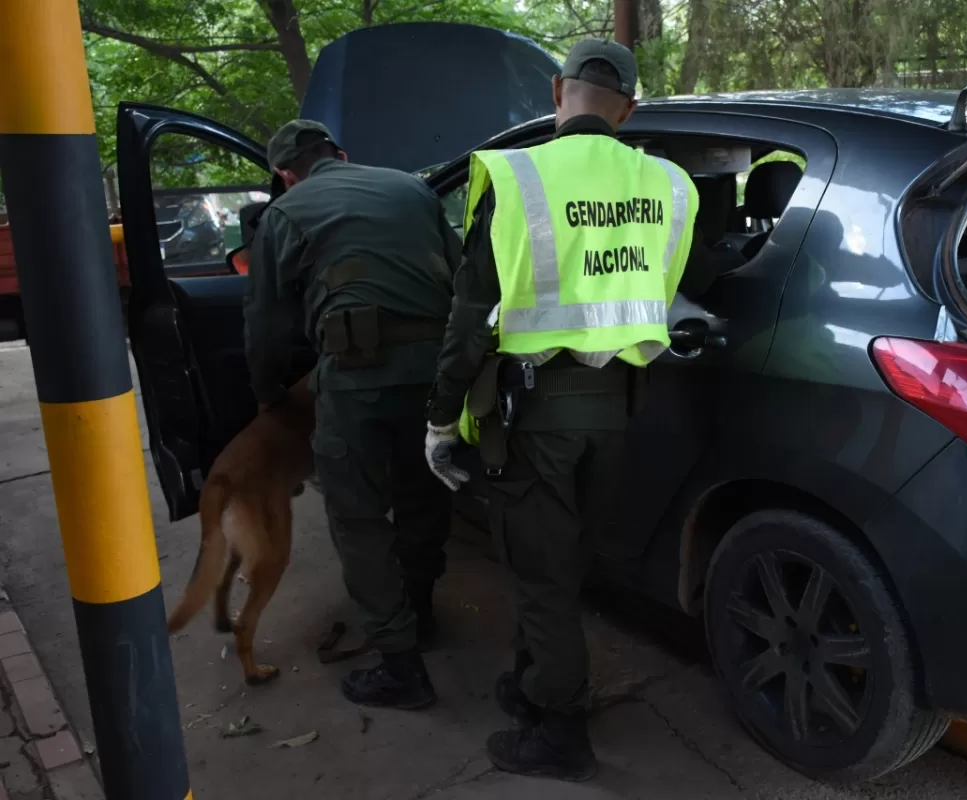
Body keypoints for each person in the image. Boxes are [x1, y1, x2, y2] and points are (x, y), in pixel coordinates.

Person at [423, 39, 715, 781]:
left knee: (542, 573)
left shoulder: (516, 175)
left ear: (558, 91)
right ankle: (534, 683)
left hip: (536, 416)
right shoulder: (670, 185)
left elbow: (469, 320)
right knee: (568, 561)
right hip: (618, 409)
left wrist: (441, 417)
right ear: (630, 109)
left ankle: (559, 733)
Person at [245, 119, 460, 710]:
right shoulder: (413, 188)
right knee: (424, 496)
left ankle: (401, 666)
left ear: (286, 175)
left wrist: (267, 395)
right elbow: (463, 275)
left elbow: (265, 325)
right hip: (436, 371)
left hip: (355, 379)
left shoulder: (284, 214)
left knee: (359, 517)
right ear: (341, 154)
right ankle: (421, 614)